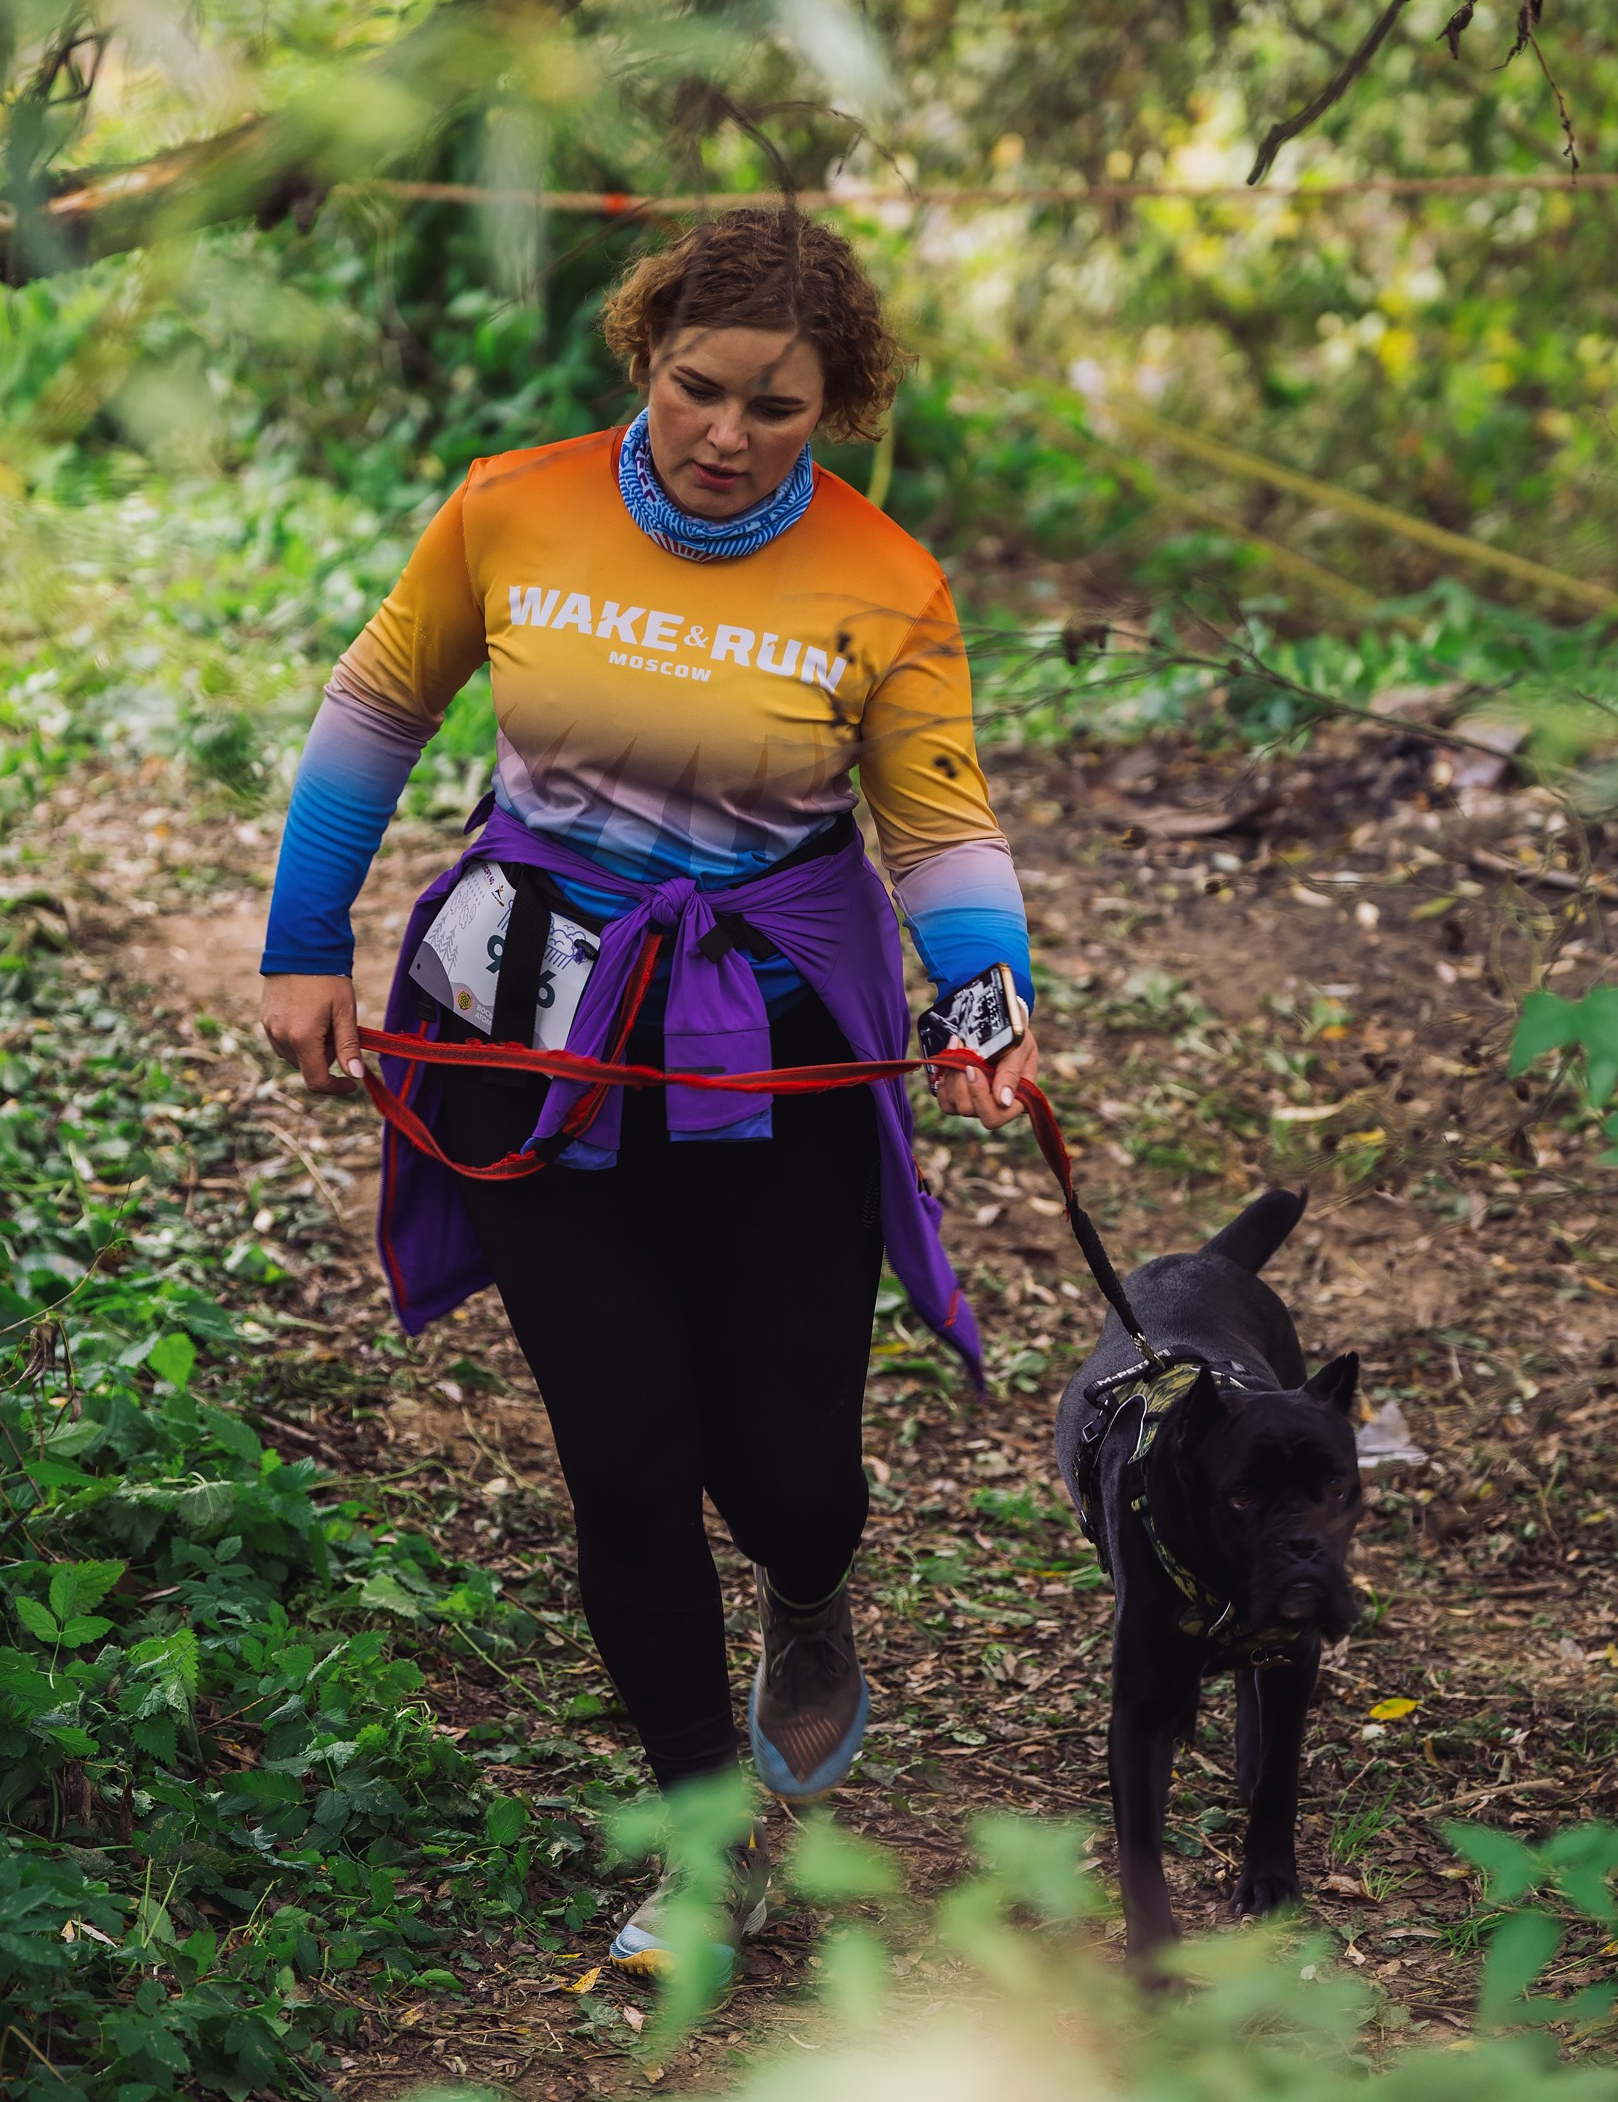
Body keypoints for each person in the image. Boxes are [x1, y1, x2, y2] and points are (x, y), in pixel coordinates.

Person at [260, 208, 1036, 1972]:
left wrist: (989, 997)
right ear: (645, 355)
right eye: (698, 388)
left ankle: (810, 1590)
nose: (726, 434)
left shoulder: (884, 578)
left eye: (777, 406)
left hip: (776, 1044)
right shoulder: (510, 507)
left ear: (836, 407)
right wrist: (305, 942)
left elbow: (937, 821)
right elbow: (376, 710)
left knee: (790, 1474)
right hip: (537, 1030)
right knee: (623, 1450)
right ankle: (703, 1844)